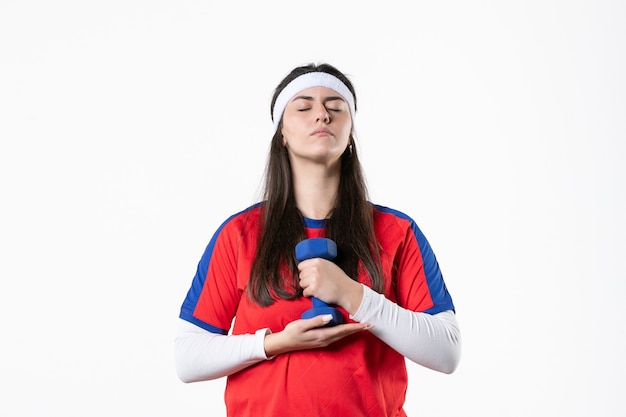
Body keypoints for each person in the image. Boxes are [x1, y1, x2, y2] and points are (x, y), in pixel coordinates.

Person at [175, 63, 461, 417]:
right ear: (282, 132)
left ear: (350, 130)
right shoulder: (240, 234)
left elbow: (446, 351)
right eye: (304, 106)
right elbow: (188, 357)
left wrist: (352, 295)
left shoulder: (396, 231)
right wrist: (275, 343)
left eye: (335, 107)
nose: (322, 115)